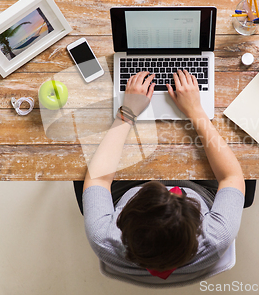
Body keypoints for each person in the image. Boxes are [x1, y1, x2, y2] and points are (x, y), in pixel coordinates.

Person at [74, 70, 247, 282]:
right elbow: (231, 176)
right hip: (201, 190)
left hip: (127, 190)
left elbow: (99, 178)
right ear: (198, 226)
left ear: (122, 223)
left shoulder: (103, 238)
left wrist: (127, 112)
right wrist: (195, 110)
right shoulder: (217, 236)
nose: (165, 187)